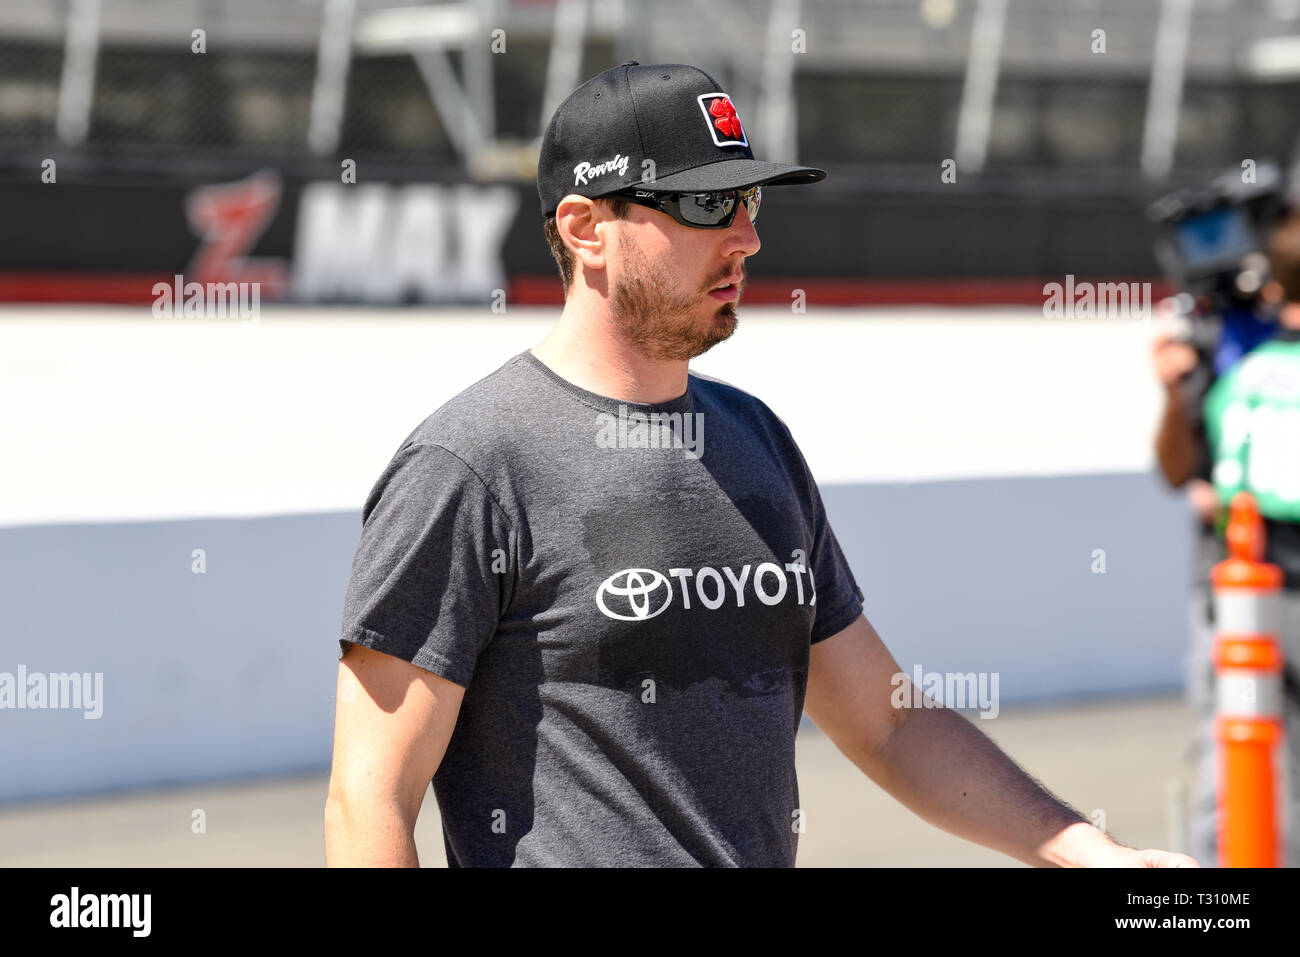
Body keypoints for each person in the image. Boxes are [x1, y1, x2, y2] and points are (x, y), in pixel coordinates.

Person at [324, 61, 1196, 867]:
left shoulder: (755, 441)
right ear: (587, 228)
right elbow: (369, 802)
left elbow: (888, 725)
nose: (745, 238)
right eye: (705, 207)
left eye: (747, 202)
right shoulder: (469, 465)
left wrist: (1090, 852)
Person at [1198, 210, 1300, 867]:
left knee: (1241, 749)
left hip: (1252, 580)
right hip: (1260, 572)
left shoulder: (1245, 364)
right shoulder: (1247, 360)